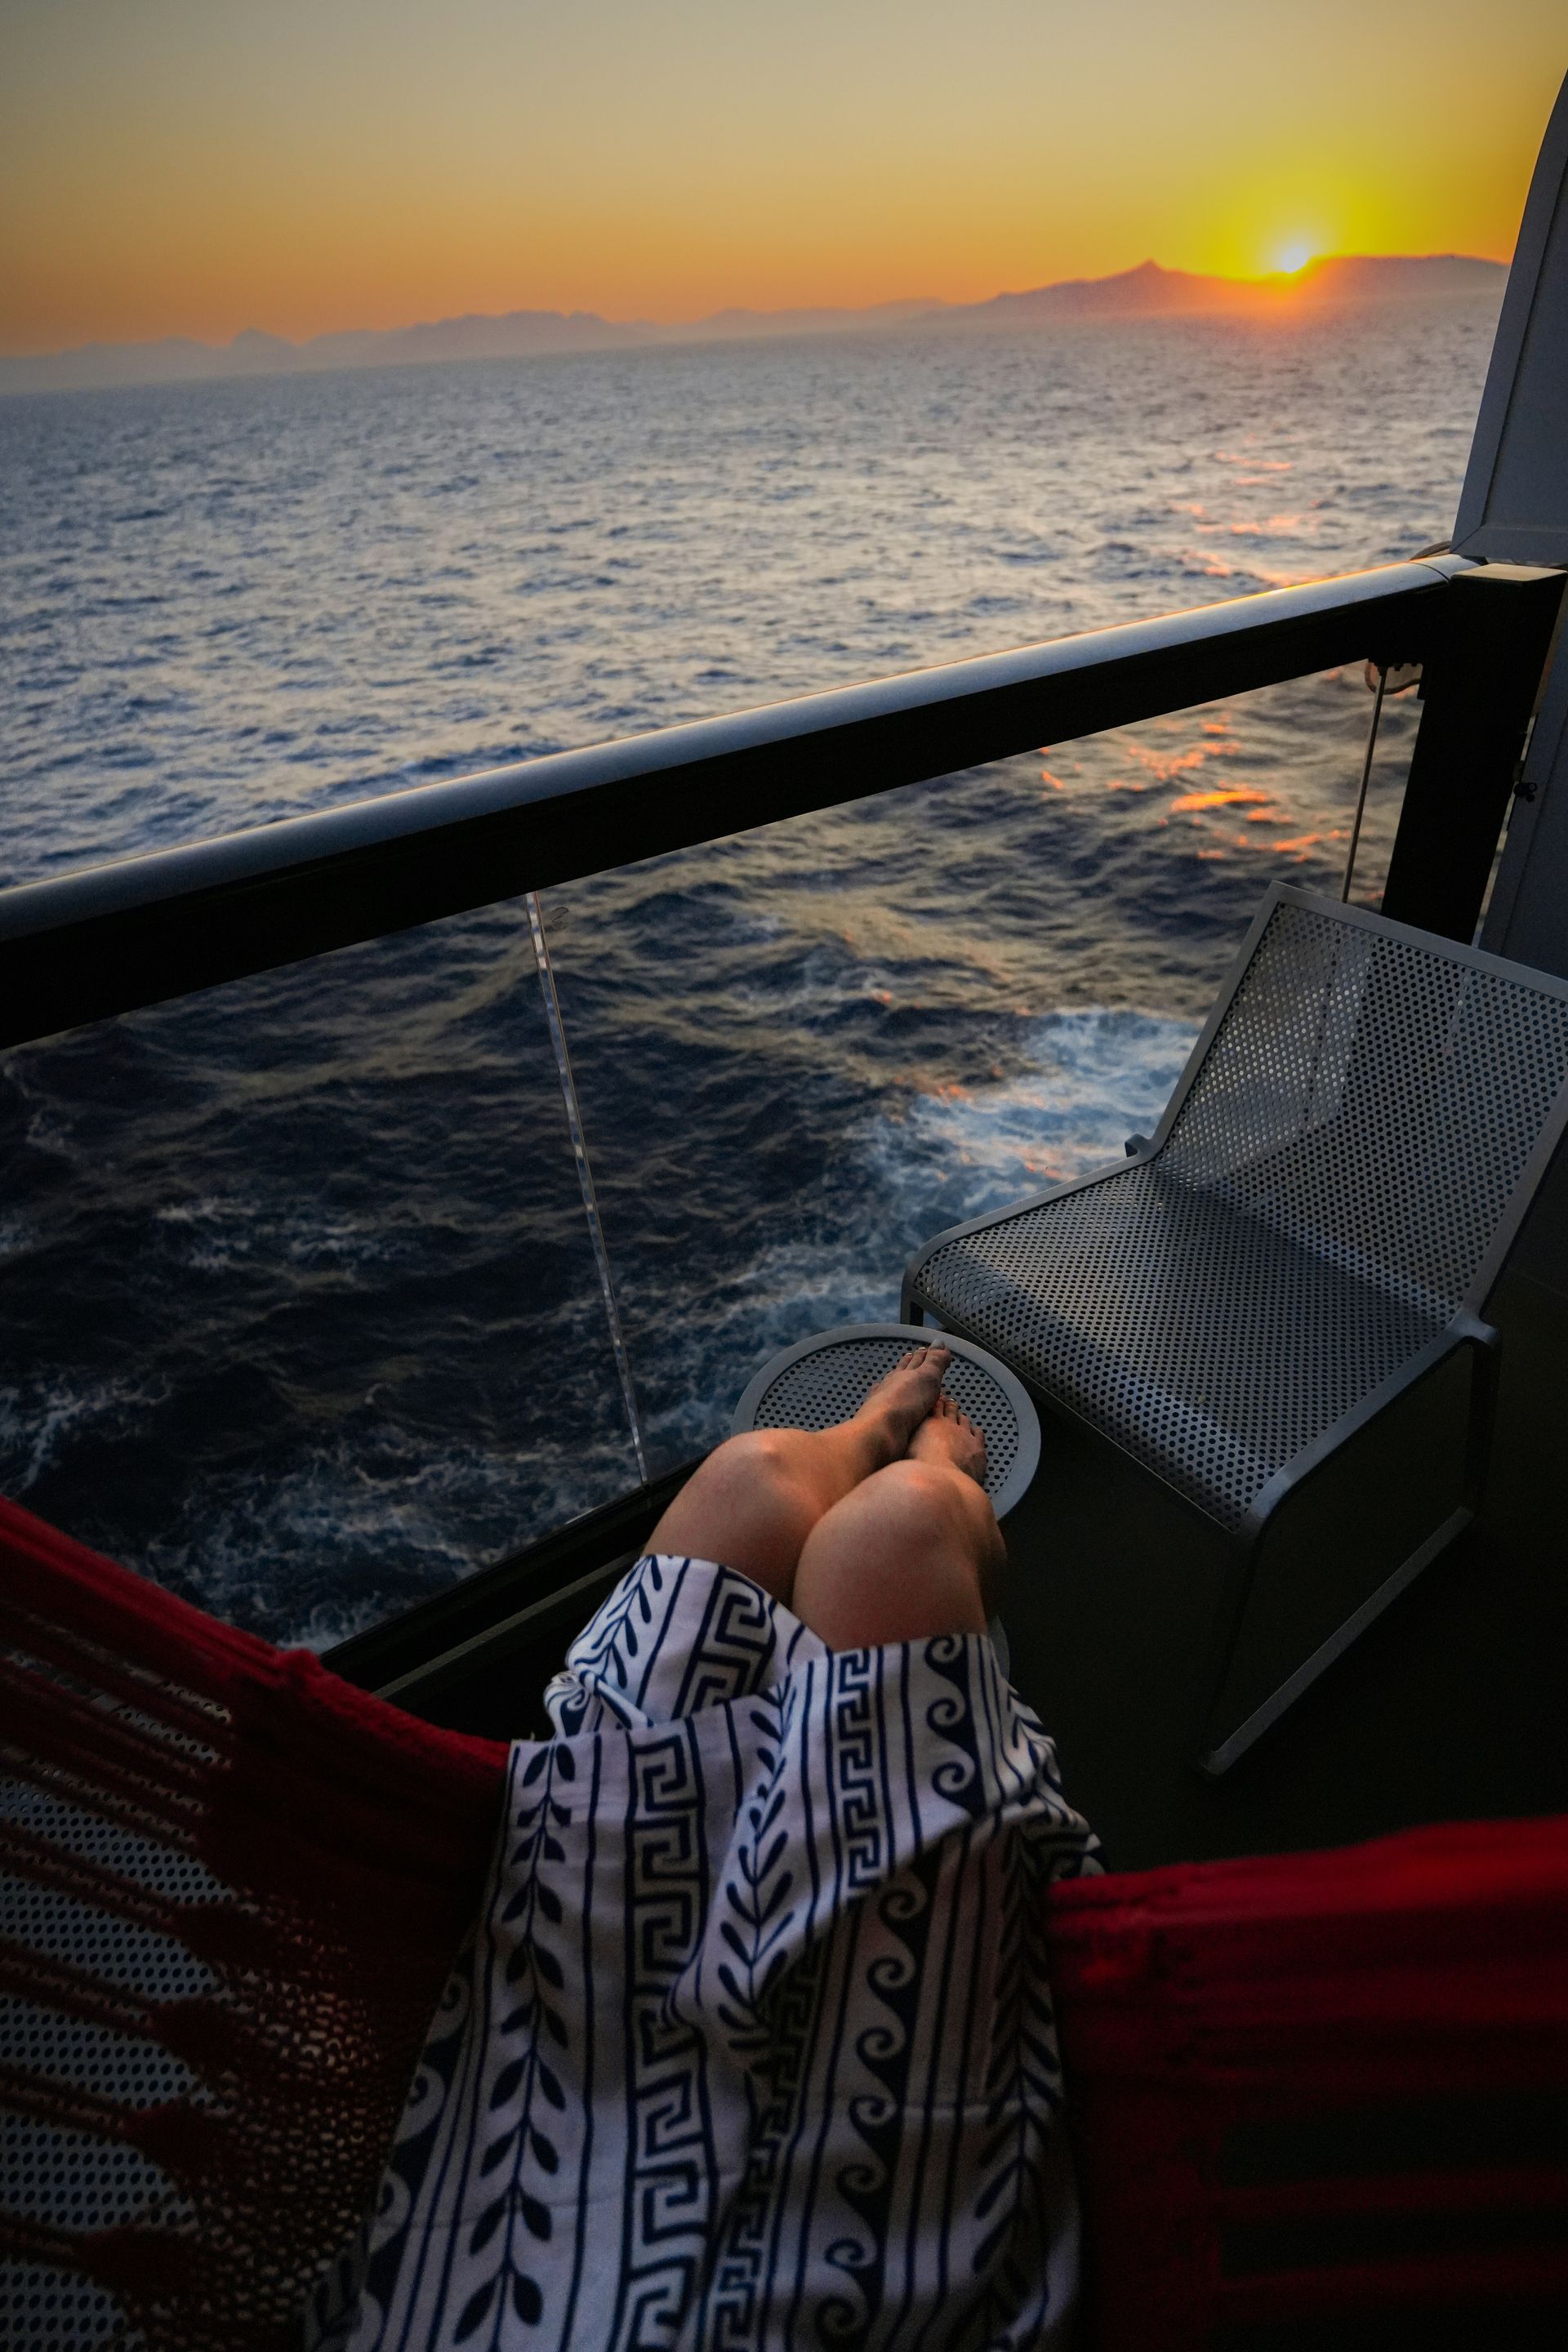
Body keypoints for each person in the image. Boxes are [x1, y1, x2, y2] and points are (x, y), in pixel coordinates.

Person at [310, 1347, 1098, 2352]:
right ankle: (935, 1475)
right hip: (871, 2206)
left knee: (748, 1481)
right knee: (894, 1540)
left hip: (521, 2132)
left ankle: (862, 1443)